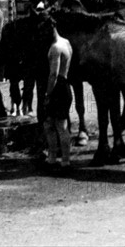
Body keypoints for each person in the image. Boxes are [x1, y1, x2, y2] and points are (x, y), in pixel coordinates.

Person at [42, 16, 73, 171]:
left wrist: (48, 95)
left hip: (58, 87)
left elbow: (53, 74)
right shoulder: (66, 43)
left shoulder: (55, 48)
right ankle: (57, 159)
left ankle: (59, 160)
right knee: (55, 124)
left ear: (51, 27)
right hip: (65, 85)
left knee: (56, 125)